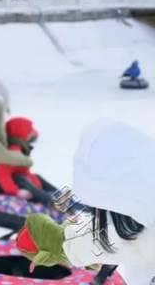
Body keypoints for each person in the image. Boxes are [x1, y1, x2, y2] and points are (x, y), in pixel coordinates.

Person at [17, 120, 155, 284]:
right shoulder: (138, 218)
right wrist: (59, 240)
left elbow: (109, 238)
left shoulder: (137, 234)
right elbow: (103, 237)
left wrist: (60, 243)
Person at [0, 116, 57, 205]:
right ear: (21, 135)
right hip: (14, 186)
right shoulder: (11, 153)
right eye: (30, 134)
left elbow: (26, 173)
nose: (32, 139)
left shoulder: (20, 150)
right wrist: (16, 192)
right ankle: (50, 201)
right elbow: (2, 175)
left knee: (36, 177)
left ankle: (60, 196)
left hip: (24, 184)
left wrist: (36, 184)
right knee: (20, 178)